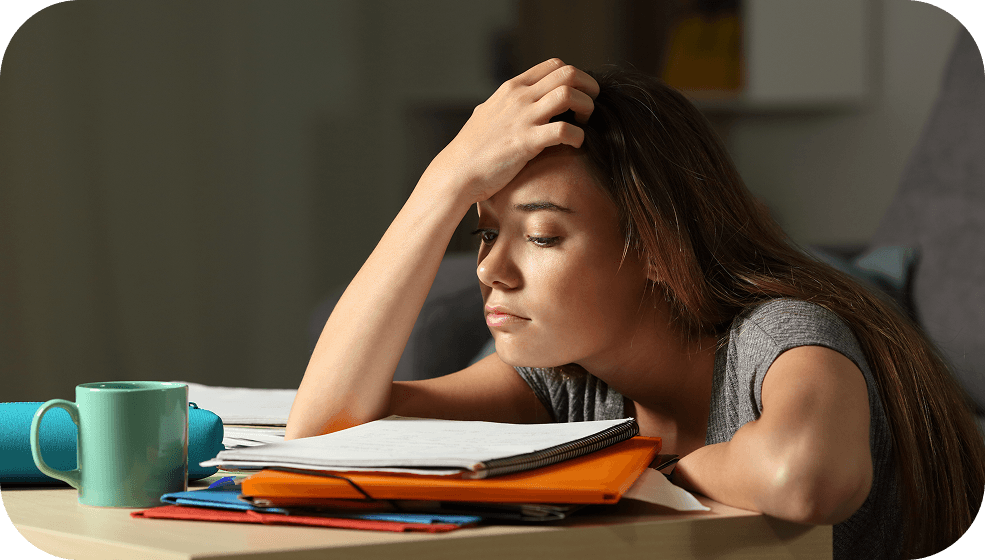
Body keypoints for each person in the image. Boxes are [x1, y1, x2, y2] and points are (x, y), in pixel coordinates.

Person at [286, 59, 985, 559]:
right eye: (482, 232)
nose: (490, 270)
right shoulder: (564, 377)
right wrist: (441, 184)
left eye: (539, 235)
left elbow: (802, 480)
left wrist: (647, 470)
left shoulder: (782, 336)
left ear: (654, 248)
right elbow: (324, 434)